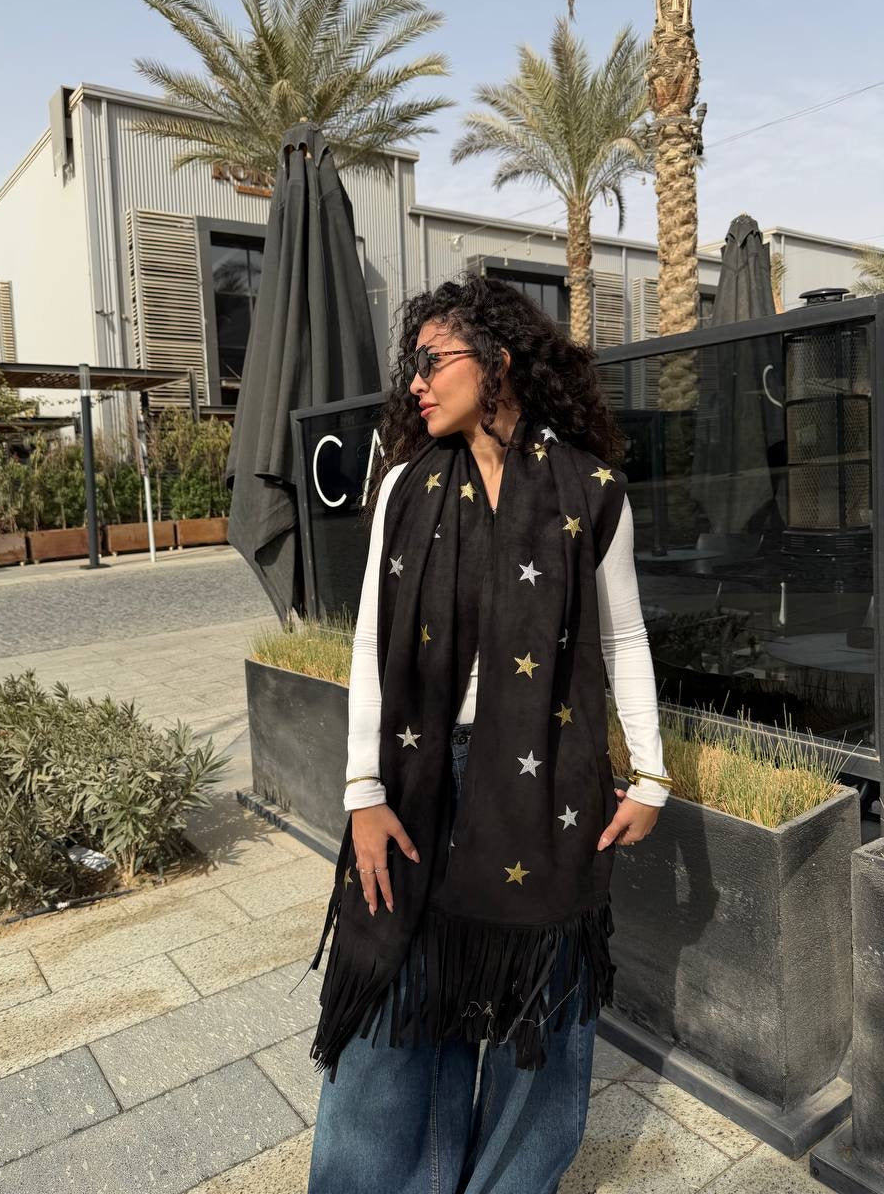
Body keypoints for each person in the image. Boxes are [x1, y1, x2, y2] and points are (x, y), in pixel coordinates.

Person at [306, 274, 672, 1194]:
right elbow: (371, 643)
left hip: (548, 781)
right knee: (392, 1011)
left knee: (535, 1018)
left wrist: (652, 775)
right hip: (417, 778)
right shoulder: (405, 486)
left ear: (497, 360)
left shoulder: (592, 491)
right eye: (413, 365)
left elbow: (623, 637)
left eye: (433, 361)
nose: (415, 382)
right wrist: (362, 792)